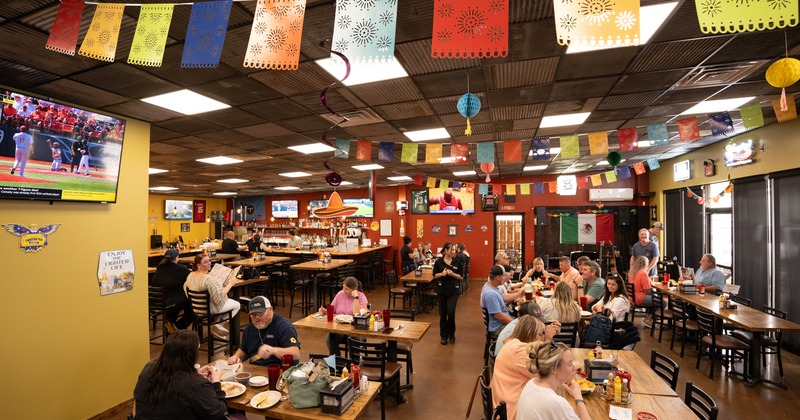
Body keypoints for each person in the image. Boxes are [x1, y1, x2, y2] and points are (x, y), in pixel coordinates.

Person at [133, 330, 229, 419]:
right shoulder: (196, 384)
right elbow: (217, 413)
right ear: (191, 355)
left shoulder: (149, 368)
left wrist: (195, 373)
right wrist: (216, 383)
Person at [492, 315, 561, 420]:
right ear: (529, 333)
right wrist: (547, 339)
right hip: (512, 410)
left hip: (504, 404)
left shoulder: (513, 344)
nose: (541, 338)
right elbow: (545, 376)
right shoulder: (520, 351)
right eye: (540, 334)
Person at [517, 341, 591, 420]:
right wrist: (578, 397)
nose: (573, 367)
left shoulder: (531, 383)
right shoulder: (556, 403)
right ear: (554, 368)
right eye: (570, 364)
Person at [228, 296, 301, 366]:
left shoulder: (284, 326)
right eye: (253, 314)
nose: (257, 317)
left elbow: (295, 354)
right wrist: (237, 356)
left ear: (270, 310)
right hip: (257, 369)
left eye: (260, 313)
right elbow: (244, 349)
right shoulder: (249, 329)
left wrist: (273, 350)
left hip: (281, 369)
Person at [184, 254, 240, 340]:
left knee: (225, 302)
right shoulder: (208, 279)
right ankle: (218, 325)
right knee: (237, 305)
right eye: (205, 262)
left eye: (209, 261)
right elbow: (218, 299)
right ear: (198, 265)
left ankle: (216, 322)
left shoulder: (190, 275)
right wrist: (230, 284)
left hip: (196, 308)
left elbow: (185, 287)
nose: (209, 263)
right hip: (209, 309)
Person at [318, 277, 368, 354]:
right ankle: (337, 359)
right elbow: (332, 309)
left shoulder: (361, 297)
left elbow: (357, 313)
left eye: (347, 289)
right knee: (330, 339)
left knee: (354, 340)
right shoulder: (340, 294)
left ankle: (354, 360)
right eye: (343, 287)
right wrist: (324, 311)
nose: (344, 290)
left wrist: (356, 297)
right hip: (340, 327)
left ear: (354, 289)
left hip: (355, 328)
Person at [495, 301, 561, 356]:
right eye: (534, 322)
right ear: (525, 319)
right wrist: (548, 338)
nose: (538, 323)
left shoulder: (520, 325)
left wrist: (547, 332)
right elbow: (540, 358)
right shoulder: (515, 332)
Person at [151, 248, 193, 332]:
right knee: (192, 304)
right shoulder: (180, 269)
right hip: (169, 303)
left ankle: (170, 324)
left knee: (176, 298)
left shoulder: (159, 267)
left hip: (155, 303)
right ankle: (178, 326)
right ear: (177, 258)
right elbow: (192, 277)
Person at [433, 242, 464, 345]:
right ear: (446, 250)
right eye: (451, 249)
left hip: (453, 290)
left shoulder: (457, 262)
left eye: (454, 250)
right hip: (442, 289)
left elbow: (461, 277)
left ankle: (452, 334)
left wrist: (453, 274)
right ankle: (443, 336)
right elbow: (435, 275)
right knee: (443, 314)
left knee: (451, 313)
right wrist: (442, 274)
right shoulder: (439, 262)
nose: (453, 252)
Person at [481, 265, 515, 336]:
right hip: (498, 327)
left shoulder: (490, 286)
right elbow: (498, 316)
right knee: (526, 331)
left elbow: (502, 299)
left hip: (501, 322)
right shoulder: (491, 294)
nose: (504, 278)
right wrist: (515, 324)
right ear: (497, 278)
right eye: (503, 276)